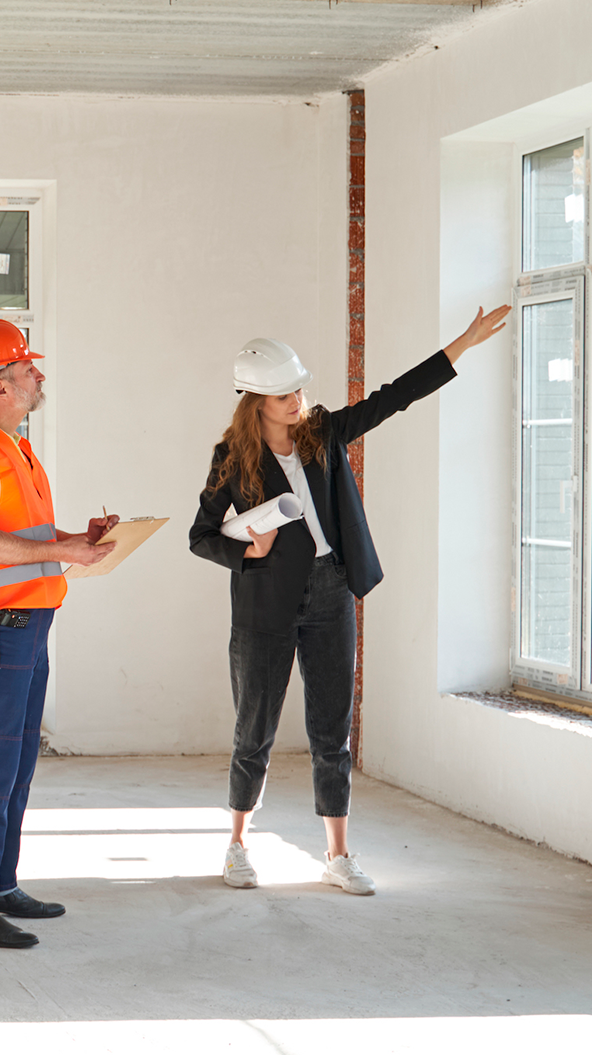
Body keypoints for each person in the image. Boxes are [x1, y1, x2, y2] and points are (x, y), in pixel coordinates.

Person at [188, 306, 511, 896]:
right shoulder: (230, 459)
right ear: (256, 400)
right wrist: (248, 551)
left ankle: (337, 855)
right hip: (264, 604)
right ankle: (236, 845)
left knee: (331, 728)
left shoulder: (323, 432)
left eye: (299, 390)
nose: (298, 400)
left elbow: (392, 399)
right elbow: (200, 537)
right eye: (285, 394)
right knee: (253, 729)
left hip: (331, 590)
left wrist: (460, 345)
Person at [0, 318, 117, 949]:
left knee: (16, 767)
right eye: (28, 369)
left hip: (28, 625)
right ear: (0, 385)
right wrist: (66, 547)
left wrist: (75, 542)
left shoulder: (15, 448)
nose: (39, 377)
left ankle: (0, 885)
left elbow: (25, 542)